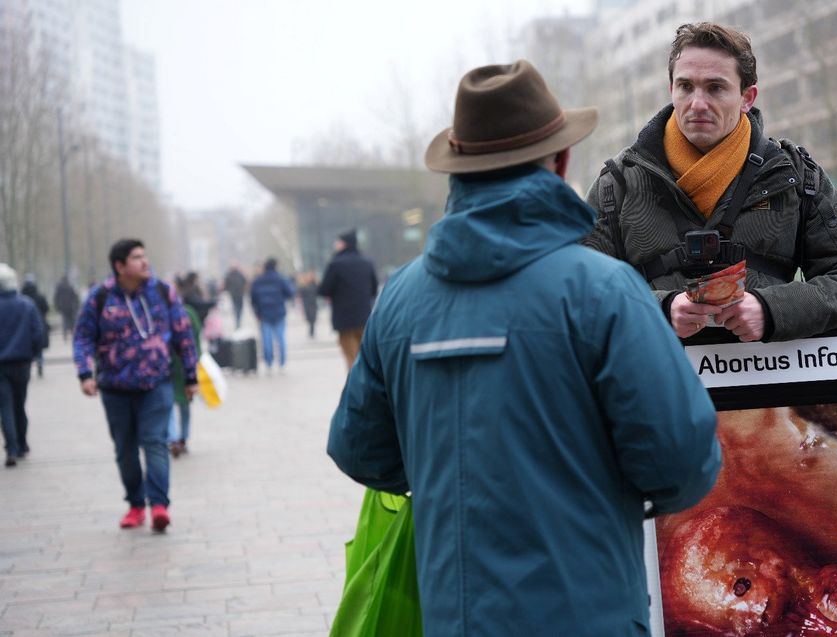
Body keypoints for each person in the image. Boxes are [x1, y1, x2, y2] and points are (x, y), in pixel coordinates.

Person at [327, 60, 720, 636]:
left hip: (452, 616)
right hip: (590, 614)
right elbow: (682, 462)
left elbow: (359, 450)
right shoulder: (604, 291)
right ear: (560, 162)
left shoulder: (401, 300)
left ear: (459, 171)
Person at [583, 22, 837, 342]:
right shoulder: (617, 183)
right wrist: (658, 310)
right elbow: (579, 290)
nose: (698, 103)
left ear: (746, 97)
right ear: (671, 89)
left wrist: (772, 310)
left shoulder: (796, 177)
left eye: (715, 88)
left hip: (767, 385)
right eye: (686, 86)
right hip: (655, 385)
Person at [73, 239, 198, 531]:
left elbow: (184, 335)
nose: (145, 262)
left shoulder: (163, 292)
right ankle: (135, 504)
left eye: (145, 255)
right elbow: (82, 337)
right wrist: (84, 374)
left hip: (157, 383)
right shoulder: (100, 297)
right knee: (125, 449)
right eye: (136, 257)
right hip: (115, 388)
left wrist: (190, 377)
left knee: (155, 441)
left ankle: (158, 505)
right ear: (119, 266)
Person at [0, 264, 45, 467]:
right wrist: (35, 354)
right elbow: (38, 332)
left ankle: (11, 449)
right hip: (22, 363)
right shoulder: (26, 305)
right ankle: (22, 444)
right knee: (20, 405)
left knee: (6, 408)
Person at [318, 229, 377, 371]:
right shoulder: (367, 263)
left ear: (344, 244)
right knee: (365, 356)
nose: (335, 244)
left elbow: (324, 290)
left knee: (351, 357)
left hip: (344, 319)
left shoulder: (336, 264)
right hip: (364, 317)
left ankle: (356, 389)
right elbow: (374, 289)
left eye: (337, 242)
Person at [168, 299, 202, 458]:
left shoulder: (159, 313)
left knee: (168, 404)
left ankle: (173, 438)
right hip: (186, 365)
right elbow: (197, 339)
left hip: (167, 365)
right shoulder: (188, 313)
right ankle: (184, 439)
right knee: (185, 405)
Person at [249, 257, 294, 371]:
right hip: (279, 312)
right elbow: (290, 293)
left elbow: (253, 298)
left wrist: (257, 312)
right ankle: (282, 362)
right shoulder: (280, 278)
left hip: (264, 313)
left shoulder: (258, 280)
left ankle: (269, 363)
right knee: (281, 338)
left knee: (266, 339)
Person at [20, 275, 50, 377]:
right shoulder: (40, 296)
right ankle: (39, 363)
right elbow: (46, 309)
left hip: (24, 326)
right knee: (39, 346)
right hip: (39, 323)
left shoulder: (21, 297)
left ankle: (28, 367)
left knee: (25, 347)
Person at [54, 275, 80, 342]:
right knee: (71, 321)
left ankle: (65, 334)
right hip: (70, 307)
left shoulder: (59, 287)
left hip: (63, 307)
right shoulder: (70, 287)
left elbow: (56, 297)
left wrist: (57, 306)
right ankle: (72, 333)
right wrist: (76, 305)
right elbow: (75, 296)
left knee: (65, 321)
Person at [223, 262, 248, 329]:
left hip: (237, 294)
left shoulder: (232, 275)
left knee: (238, 308)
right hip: (236, 295)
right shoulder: (232, 275)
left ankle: (238, 321)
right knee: (238, 308)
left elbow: (245, 283)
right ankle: (238, 321)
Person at [297, 271, 319, 338]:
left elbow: (319, 291)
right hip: (306, 304)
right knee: (309, 318)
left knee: (313, 318)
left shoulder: (314, 284)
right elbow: (300, 292)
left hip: (313, 303)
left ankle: (311, 332)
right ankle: (311, 330)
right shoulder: (304, 285)